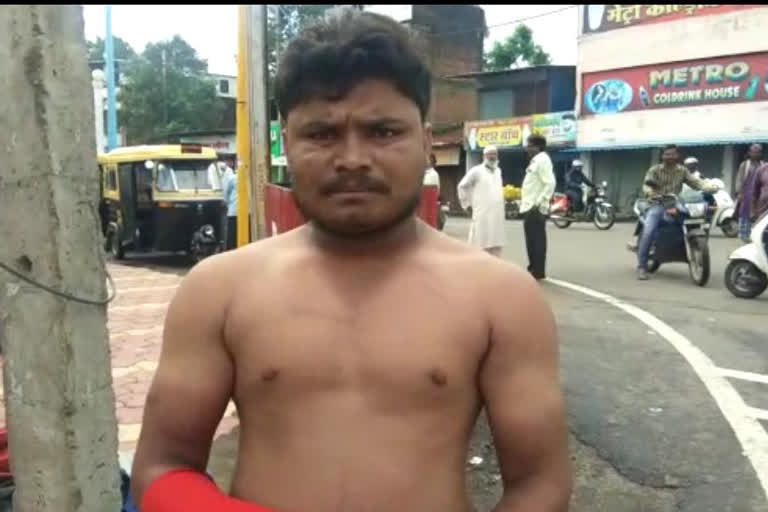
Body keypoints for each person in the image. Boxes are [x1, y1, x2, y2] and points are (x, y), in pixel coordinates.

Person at [131, 8, 571, 512]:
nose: (353, 158)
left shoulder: (502, 298)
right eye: (322, 134)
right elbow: (162, 467)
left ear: (426, 142)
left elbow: (540, 485)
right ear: (287, 144)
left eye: (383, 131)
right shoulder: (219, 289)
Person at [635, 144, 718, 280]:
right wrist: (651, 193)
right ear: (662, 156)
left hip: (676, 203)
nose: (670, 157)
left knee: (692, 220)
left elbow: (696, 183)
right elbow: (646, 185)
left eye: (673, 154)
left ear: (677, 156)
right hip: (657, 204)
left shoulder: (682, 171)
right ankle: (641, 267)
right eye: (667, 154)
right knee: (649, 231)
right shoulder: (654, 170)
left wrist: (711, 187)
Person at [457, 145, 506, 256]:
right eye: (490, 154)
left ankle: (494, 266)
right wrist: (467, 205)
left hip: (497, 213)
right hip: (482, 212)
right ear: (484, 156)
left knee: (496, 241)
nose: (492, 157)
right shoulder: (476, 170)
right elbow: (462, 186)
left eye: (495, 154)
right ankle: (478, 265)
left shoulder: (499, 171)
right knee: (479, 240)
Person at [520, 134, 556, 281]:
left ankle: (538, 271)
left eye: (530, 145)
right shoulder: (535, 161)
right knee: (531, 240)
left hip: (535, 207)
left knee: (537, 240)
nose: (527, 148)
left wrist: (539, 202)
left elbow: (550, 183)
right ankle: (533, 267)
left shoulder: (543, 160)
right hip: (529, 206)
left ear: (537, 146)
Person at [735, 144, 765, 242]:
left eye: (758, 152)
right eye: (754, 152)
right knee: (745, 213)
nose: (756, 154)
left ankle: (756, 235)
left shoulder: (763, 165)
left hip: (759, 194)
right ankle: (744, 235)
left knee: (758, 213)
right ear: (749, 153)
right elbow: (739, 178)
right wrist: (739, 192)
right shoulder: (744, 165)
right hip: (746, 193)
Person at [222, 164, 238, 250]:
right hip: (247, 213)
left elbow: (225, 194)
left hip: (233, 211)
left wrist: (228, 204)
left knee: (231, 238)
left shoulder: (232, 178)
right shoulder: (232, 178)